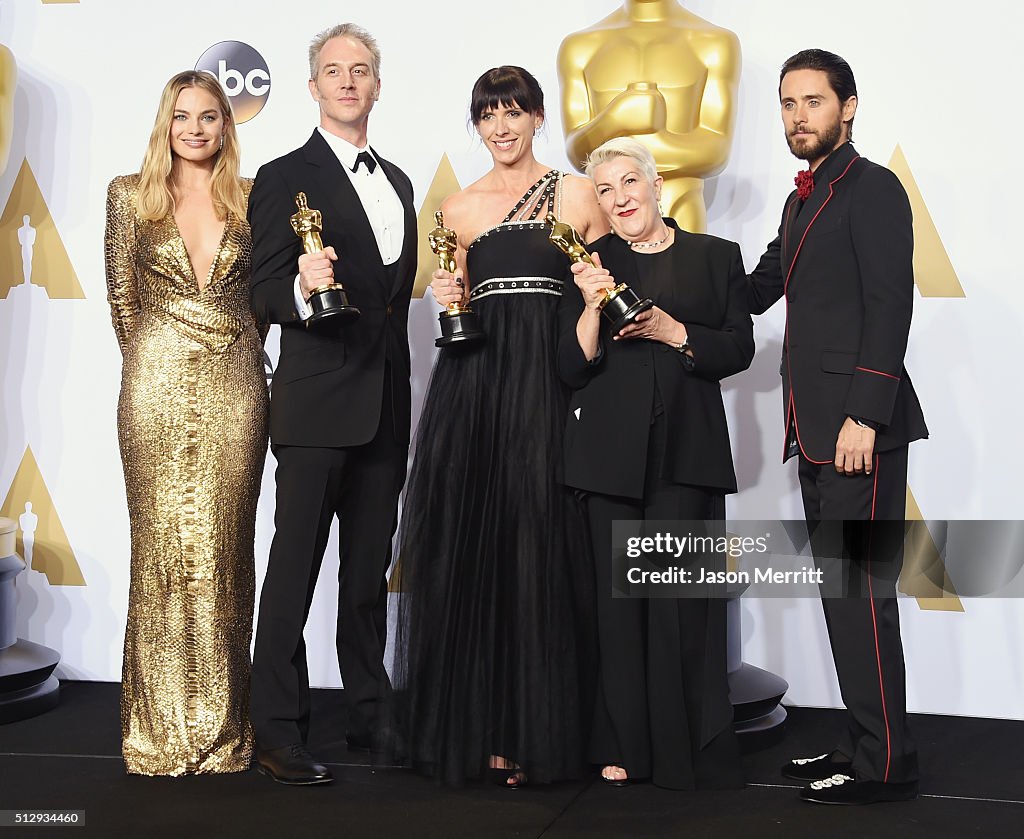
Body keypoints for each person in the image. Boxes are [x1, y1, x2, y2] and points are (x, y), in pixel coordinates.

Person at [392, 65, 607, 788]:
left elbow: (605, 288)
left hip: (546, 387)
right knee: (472, 553)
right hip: (474, 390)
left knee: (540, 550)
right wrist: (443, 295)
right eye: (489, 115)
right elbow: (453, 312)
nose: (502, 127)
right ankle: (484, 730)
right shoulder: (455, 209)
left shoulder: (578, 194)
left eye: (515, 112)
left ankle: (541, 731)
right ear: (477, 125)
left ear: (540, 117)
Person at [746, 49, 928, 805]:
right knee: (841, 597)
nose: (798, 116)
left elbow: (892, 305)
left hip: (860, 433)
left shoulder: (872, 188)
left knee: (861, 595)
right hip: (816, 432)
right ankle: (864, 739)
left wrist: (864, 412)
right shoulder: (800, 200)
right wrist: (655, 260)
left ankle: (883, 764)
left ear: (847, 107)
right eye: (788, 103)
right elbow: (753, 288)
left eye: (813, 102)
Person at [247, 23, 416, 786]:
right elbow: (260, 291)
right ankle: (279, 728)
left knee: (366, 572)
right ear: (312, 86)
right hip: (316, 406)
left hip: (386, 405)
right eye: (333, 71)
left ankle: (368, 713)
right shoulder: (285, 176)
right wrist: (301, 289)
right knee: (294, 569)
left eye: (361, 70)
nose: (348, 81)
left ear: (378, 84)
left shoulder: (402, 182)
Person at [557, 136, 751, 789]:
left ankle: (682, 746)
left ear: (656, 183)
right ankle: (623, 744)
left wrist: (674, 331)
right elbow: (569, 366)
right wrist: (588, 303)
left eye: (628, 184)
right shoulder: (590, 263)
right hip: (608, 460)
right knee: (617, 611)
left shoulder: (715, 256)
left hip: (687, 456)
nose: (619, 200)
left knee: (681, 605)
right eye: (605, 191)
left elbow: (738, 350)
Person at [104, 70, 269, 775]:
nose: (195, 129)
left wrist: (237, 354)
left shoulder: (252, 199)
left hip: (236, 383)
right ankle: (157, 733)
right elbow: (121, 298)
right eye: (182, 116)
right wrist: (157, 361)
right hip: (154, 382)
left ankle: (223, 732)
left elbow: (263, 298)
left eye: (209, 117)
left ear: (225, 126)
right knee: (160, 548)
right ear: (163, 123)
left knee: (225, 551)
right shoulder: (126, 194)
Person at [556, 0, 740, 232]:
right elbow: (577, 153)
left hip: (680, 214)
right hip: (610, 219)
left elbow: (716, 151)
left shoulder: (714, 42)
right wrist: (615, 118)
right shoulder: (579, 47)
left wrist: (621, 137)